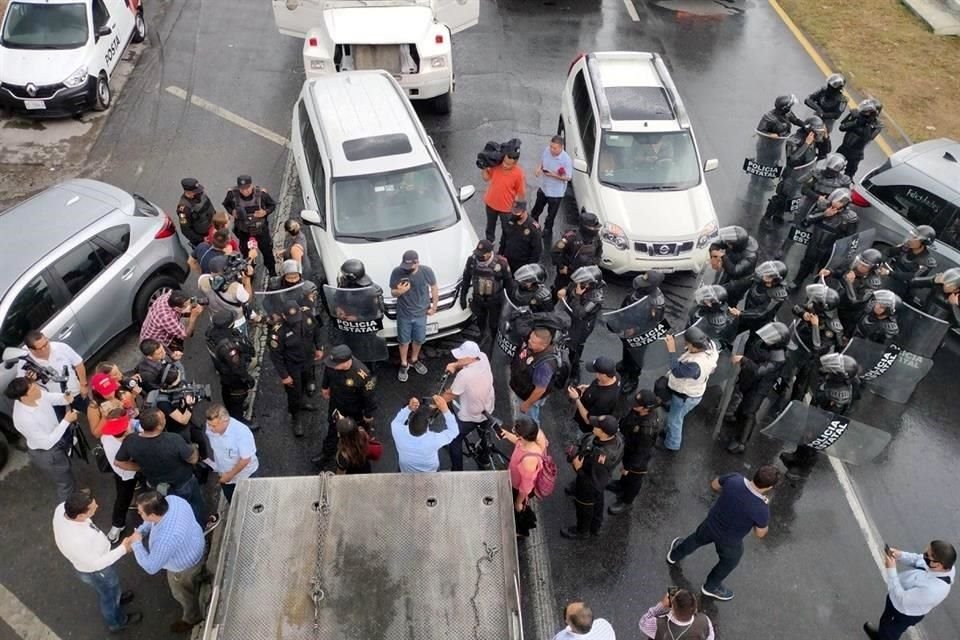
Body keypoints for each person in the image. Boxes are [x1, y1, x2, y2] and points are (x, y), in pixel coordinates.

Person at [667, 465, 780, 601]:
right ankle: (711, 587)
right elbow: (760, 534)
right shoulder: (761, 508)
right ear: (769, 487)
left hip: (711, 524)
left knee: (696, 539)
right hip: (730, 541)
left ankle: (674, 555)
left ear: (755, 475)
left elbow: (715, 485)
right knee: (729, 562)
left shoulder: (734, 479)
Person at [52, 491, 142, 633]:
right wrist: (124, 548)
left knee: (111, 591)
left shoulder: (62, 509)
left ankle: (117, 597)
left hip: (95, 561)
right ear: (81, 515)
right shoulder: (76, 541)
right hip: (97, 571)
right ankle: (117, 622)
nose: (97, 506)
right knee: (108, 597)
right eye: (93, 508)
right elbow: (96, 564)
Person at [113, 407, 210, 528]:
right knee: (194, 505)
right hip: (183, 482)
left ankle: (182, 529)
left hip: (156, 486)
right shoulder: (173, 439)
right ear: (159, 426)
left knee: (170, 512)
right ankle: (202, 526)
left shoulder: (131, 441)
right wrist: (194, 448)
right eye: (163, 418)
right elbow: (193, 459)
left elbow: (118, 462)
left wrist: (141, 467)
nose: (165, 419)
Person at [129, 492, 207, 634]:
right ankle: (202, 576)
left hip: (183, 567)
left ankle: (192, 617)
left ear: (152, 514)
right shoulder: (174, 500)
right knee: (197, 573)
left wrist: (136, 544)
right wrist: (141, 531)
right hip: (197, 545)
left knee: (183, 593)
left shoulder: (165, 539)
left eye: (140, 512)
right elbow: (150, 521)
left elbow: (151, 566)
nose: (139, 514)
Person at [779, 353, 860, 472]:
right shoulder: (837, 382)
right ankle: (797, 456)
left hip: (821, 421)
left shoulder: (839, 394)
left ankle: (801, 469)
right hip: (816, 413)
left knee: (811, 443)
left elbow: (830, 414)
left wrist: (815, 427)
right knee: (804, 437)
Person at [864, 541, 956, 640]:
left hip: (903, 611)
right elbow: (918, 559)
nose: (923, 555)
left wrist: (891, 569)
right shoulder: (943, 565)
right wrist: (900, 555)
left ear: (938, 565)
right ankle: (881, 634)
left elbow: (900, 598)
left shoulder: (932, 590)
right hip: (898, 597)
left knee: (891, 632)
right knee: (886, 621)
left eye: (927, 555)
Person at [5, 377, 78, 502]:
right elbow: (46, 443)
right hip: (48, 452)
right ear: (24, 397)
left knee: (67, 474)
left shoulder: (35, 395)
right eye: (33, 389)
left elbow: (49, 397)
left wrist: (64, 398)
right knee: (65, 484)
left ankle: (75, 498)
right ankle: (69, 510)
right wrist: (66, 421)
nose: (38, 389)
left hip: (56, 439)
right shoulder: (24, 419)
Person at [724, 322, 790, 454]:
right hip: (749, 380)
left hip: (760, 387)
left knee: (750, 412)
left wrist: (743, 360)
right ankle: (737, 418)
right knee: (744, 405)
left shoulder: (778, 357)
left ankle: (742, 442)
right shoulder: (764, 343)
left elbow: (760, 370)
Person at [313, 345, 377, 469]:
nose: (332, 366)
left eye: (335, 364)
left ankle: (357, 457)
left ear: (346, 362)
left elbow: (369, 397)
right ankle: (327, 454)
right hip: (336, 403)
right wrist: (325, 387)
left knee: (355, 435)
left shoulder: (362, 375)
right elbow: (327, 373)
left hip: (354, 410)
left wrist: (368, 415)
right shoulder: (333, 364)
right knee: (332, 429)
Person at [561, 415, 624, 540]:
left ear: (604, 433)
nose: (593, 426)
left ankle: (582, 531)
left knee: (584, 506)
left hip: (589, 484)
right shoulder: (617, 439)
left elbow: (591, 481)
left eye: (597, 426)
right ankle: (595, 527)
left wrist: (578, 468)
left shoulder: (600, 456)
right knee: (598, 501)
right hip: (601, 480)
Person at [268, 300, 324, 437]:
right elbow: (276, 356)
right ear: (284, 316)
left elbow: (316, 331)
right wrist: (284, 376)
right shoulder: (278, 332)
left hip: (308, 360)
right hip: (292, 366)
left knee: (306, 383)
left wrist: (319, 347)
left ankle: (303, 402)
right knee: (293, 393)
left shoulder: (306, 315)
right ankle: (295, 416)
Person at [662, 327, 719, 452]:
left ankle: (672, 444)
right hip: (695, 392)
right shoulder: (710, 345)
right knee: (677, 415)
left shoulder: (695, 365)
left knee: (675, 420)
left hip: (685, 396)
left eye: (687, 343)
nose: (685, 345)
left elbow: (676, 371)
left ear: (694, 346)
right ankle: (668, 431)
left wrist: (671, 350)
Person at [441, 341, 495, 471]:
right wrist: (455, 365)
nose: (458, 358)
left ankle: (457, 470)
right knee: (484, 434)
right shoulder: (483, 357)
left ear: (470, 357)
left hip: (470, 416)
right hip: (488, 408)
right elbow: (465, 363)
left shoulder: (464, 376)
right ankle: (484, 459)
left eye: (461, 356)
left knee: (455, 440)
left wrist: (437, 403)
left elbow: (451, 395)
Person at [606, 389, 662, 515]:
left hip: (638, 459)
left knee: (634, 479)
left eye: (637, 404)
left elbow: (642, 452)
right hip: (629, 446)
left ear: (646, 408)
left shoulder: (647, 428)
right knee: (625, 474)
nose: (633, 405)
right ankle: (621, 485)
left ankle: (627, 502)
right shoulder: (638, 412)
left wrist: (630, 467)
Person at [790, 187, 859, 289]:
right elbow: (805, 223)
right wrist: (823, 215)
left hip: (831, 247)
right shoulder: (822, 207)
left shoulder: (850, 217)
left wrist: (844, 256)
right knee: (806, 263)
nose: (839, 203)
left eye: (842, 201)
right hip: (815, 241)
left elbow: (850, 239)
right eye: (838, 200)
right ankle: (797, 281)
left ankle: (817, 288)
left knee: (824, 270)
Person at [762, 117, 825, 224]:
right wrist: (806, 144)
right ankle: (767, 217)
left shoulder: (814, 140)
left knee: (791, 197)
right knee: (781, 196)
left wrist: (826, 138)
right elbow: (792, 159)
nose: (819, 134)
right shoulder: (794, 140)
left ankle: (779, 214)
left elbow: (825, 151)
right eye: (817, 131)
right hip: (791, 174)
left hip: (803, 174)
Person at [390, 250, 438, 381]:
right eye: (405, 266)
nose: (406, 270)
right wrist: (399, 291)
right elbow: (393, 292)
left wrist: (434, 306)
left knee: (419, 339)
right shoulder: (397, 272)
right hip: (404, 313)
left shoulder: (426, 271)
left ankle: (415, 359)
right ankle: (404, 363)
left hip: (421, 313)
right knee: (403, 340)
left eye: (410, 267)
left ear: (417, 262)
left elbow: (434, 287)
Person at [616, 271, 667, 395]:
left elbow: (654, 324)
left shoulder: (657, 303)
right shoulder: (641, 289)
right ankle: (625, 364)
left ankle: (633, 378)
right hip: (628, 326)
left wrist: (636, 330)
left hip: (640, 333)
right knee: (626, 348)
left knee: (636, 356)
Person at [500, 417, 549, 538]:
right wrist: (506, 435)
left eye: (516, 433)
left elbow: (525, 487)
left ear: (523, 437)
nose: (514, 433)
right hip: (515, 482)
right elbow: (518, 442)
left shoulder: (529, 460)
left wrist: (518, 502)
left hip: (518, 488)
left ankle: (521, 530)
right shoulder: (534, 436)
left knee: (519, 510)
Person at [97, 404, 138, 542]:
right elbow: (125, 465)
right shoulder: (126, 445)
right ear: (125, 429)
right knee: (122, 499)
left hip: (122, 473)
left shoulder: (106, 437)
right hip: (127, 475)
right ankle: (117, 525)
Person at [223, 174, 277, 277]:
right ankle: (249, 273)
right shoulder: (232, 195)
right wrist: (232, 212)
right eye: (242, 189)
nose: (245, 191)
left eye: (247, 188)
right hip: (243, 232)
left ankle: (272, 272)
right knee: (246, 255)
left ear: (251, 185)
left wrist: (265, 212)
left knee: (267, 253)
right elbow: (226, 204)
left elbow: (272, 205)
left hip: (260, 231)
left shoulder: (261, 194)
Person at [558, 265, 606, 384]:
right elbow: (571, 286)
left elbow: (580, 313)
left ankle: (574, 372)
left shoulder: (596, 297)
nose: (578, 283)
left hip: (582, 325)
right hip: (568, 317)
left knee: (575, 348)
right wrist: (565, 289)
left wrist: (577, 295)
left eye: (582, 282)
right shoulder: (582, 283)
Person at [205, 310, 256, 422]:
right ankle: (238, 420)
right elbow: (237, 368)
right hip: (233, 376)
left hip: (223, 371)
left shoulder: (210, 332)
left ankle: (230, 408)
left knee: (226, 391)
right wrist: (248, 379)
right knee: (238, 396)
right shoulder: (229, 347)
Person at [460, 240, 512, 348]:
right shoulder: (472, 261)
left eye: (482, 254)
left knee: (494, 323)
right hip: (478, 298)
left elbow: (508, 282)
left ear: (489, 253)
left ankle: (494, 341)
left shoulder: (501, 263)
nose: (478, 256)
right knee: (480, 320)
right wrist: (463, 296)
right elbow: (466, 278)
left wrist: (508, 302)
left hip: (494, 299)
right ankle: (482, 335)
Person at [820, 248, 886, 332]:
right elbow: (843, 272)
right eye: (860, 262)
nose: (860, 266)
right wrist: (830, 272)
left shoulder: (873, 283)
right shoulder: (856, 268)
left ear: (872, 268)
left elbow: (856, 301)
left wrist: (849, 283)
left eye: (864, 265)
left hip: (848, 313)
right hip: (836, 300)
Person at [203, 404, 258, 503]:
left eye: (214, 426)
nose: (210, 429)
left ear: (225, 421)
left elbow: (245, 459)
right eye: (209, 424)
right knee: (232, 501)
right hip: (224, 473)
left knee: (248, 501)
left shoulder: (242, 433)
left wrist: (229, 475)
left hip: (244, 476)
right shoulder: (210, 428)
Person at [390, 395, 459, 472]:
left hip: (405, 469)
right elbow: (454, 431)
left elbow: (397, 421)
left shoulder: (398, 431)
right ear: (427, 427)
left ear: (409, 421)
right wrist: (445, 409)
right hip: (430, 471)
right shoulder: (434, 440)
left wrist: (408, 408)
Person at [18, 330, 88, 404]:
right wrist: (30, 380)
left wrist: (83, 385)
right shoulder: (24, 362)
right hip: (54, 403)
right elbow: (23, 386)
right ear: (31, 350)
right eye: (41, 348)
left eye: (46, 343)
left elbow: (78, 363)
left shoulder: (61, 347)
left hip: (75, 393)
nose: (46, 348)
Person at [510, 327, 561, 425]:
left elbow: (540, 390)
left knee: (530, 420)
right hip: (523, 388)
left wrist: (527, 404)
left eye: (533, 342)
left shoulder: (544, 366)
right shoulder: (532, 348)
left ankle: (531, 436)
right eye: (530, 338)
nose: (529, 341)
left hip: (529, 397)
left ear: (544, 345)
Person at [723, 261, 789, 334]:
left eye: (769, 275)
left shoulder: (778, 295)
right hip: (747, 314)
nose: (764, 275)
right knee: (731, 332)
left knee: (752, 343)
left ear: (776, 280)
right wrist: (720, 289)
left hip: (760, 323)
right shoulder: (759, 279)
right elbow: (738, 284)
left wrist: (741, 314)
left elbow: (762, 312)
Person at [551, 211, 603, 297]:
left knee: (579, 295)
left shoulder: (596, 238)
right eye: (593, 227)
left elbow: (599, 250)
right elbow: (555, 252)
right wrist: (561, 266)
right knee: (558, 292)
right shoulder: (571, 238)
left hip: (584, 274)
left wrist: (595, 263)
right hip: (567, 274)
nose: (596, 230)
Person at [481, 146, 526, 242]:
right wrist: (484, 168)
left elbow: (521, 192)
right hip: (490, 204)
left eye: (509, 164)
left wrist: (521, 209)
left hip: (506, 208)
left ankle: (504, 247)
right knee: (490, 227)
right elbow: (486, 178)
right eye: (504, 162)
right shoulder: (496, 165)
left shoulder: (518, 174)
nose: (505, 165)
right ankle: (489, 243)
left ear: (516, 162)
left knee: (507, 230)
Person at [197, 254, 254, 328]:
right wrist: (247, 278)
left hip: (216, 318)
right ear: (226, 269)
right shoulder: (236, 288)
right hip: (236, 322)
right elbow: (248, 299)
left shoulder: (202, 279)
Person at [567, 356, 620, 435]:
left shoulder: (604, 400)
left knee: (579, 434)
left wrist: (576, 399)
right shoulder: (615, 376)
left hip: (585, 426)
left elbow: (588, 420)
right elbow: (600, 385)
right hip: (588, 401)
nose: (595, 374)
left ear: (604, 375)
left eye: (597, 372)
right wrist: (589, 387)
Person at [530, 136, 573, 234]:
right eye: (551, 147)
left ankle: (547, 230)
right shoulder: (547, 151)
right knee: (536, 209)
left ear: (561, 147)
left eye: (554, 148)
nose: (551, 150)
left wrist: (553, 175)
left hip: (556, 193)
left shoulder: (566, 160)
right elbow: (542, 161)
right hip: (544, 187)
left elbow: (568, 177)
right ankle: (533, 224)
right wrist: (538, 168)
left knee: (551, 215)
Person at [881, 226, 937, 298]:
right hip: (890, 280)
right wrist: (881, 260)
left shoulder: (926, 261)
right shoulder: (906, 248)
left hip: (903, 290)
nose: (910, 240)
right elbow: (888, 252)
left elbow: (913, 278)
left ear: (923, 242)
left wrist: (889, 273)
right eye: (911, 236)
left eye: (915, 238)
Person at [139, 290, 203, 351]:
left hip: (149, 327)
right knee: (175, 350)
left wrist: (194, 302)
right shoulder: (167, 318)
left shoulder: (169, 296)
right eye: (187, 305)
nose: (190, 305)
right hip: (155, 341)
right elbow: (186, 334)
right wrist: (193, 316)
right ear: (176, 308)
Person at [638, 588, 715, 640]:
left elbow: (643, 623)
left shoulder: (658, 625)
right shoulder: (704, 620)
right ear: (695, 608)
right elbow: (710, 637)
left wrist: (662, 605)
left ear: (672, 608)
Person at [837, 98, 883, 177]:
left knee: (849, 176)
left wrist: (867, 124)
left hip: (856, 153)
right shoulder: (856, 114)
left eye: (868, 111)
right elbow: (842, 127)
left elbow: (868, 138)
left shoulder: (877, 125)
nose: (865, 112)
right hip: (843, 147)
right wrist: (855, 122)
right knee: (832, 166)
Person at [499, 198, 543, 273]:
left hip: (522, 265)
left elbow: (536, 251)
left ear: (524, 211)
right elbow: (504, 239)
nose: (514, 214)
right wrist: (500, 254)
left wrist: (529, 268)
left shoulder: (533, 229)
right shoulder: (510, 220)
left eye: (517, 212)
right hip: (507, 260)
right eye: (513, 211)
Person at [175, 177, 216, 247]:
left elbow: (211, 209)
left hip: (213, 229)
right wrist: (202, 239)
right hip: (202, 238)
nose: (198, 192)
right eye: (195, 191)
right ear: (188, 192)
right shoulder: (184, 209)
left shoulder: (201, 194)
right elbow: (186, 230)